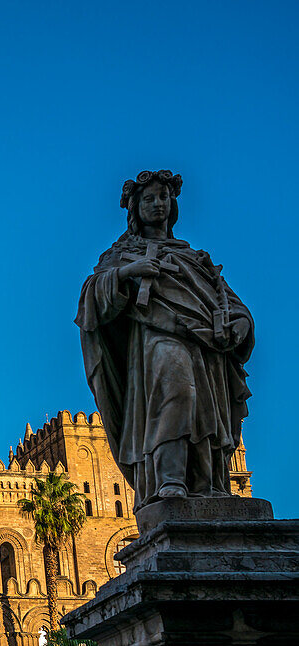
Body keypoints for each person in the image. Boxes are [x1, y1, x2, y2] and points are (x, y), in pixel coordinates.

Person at [75, 170, 253, 510]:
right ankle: (169, 478)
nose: (158, 204)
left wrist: (242, 322)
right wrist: (129, 272)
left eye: (163, 197)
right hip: (156, 340)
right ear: (135, 207)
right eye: (149, 199)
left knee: (204, 409)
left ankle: (206, 485)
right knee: (176, 392)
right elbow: (91, 300)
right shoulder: (122, 255)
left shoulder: (193, 258)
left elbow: (227, 300)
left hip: (205, 349)